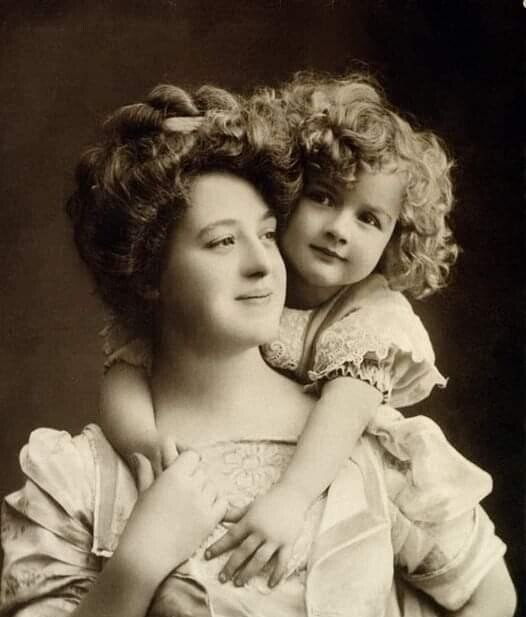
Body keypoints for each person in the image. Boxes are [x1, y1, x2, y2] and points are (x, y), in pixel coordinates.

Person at [0, 82, 515, 617]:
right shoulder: (87, 469)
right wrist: (139, 561)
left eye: (268, 235)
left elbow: (491, 598)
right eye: (219, 241)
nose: (261, 263)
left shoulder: (370, 441)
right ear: (149, 273)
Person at [99, 72, 492, 589]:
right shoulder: (243, 279)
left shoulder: (373, 313)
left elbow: (345, 408)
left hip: (336, 462)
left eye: (369, 219)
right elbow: (127, 365)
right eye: (324, 197)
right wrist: (145, 444)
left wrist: (290, 498)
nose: (339, 229)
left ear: (396, 239)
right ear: (287, 194)